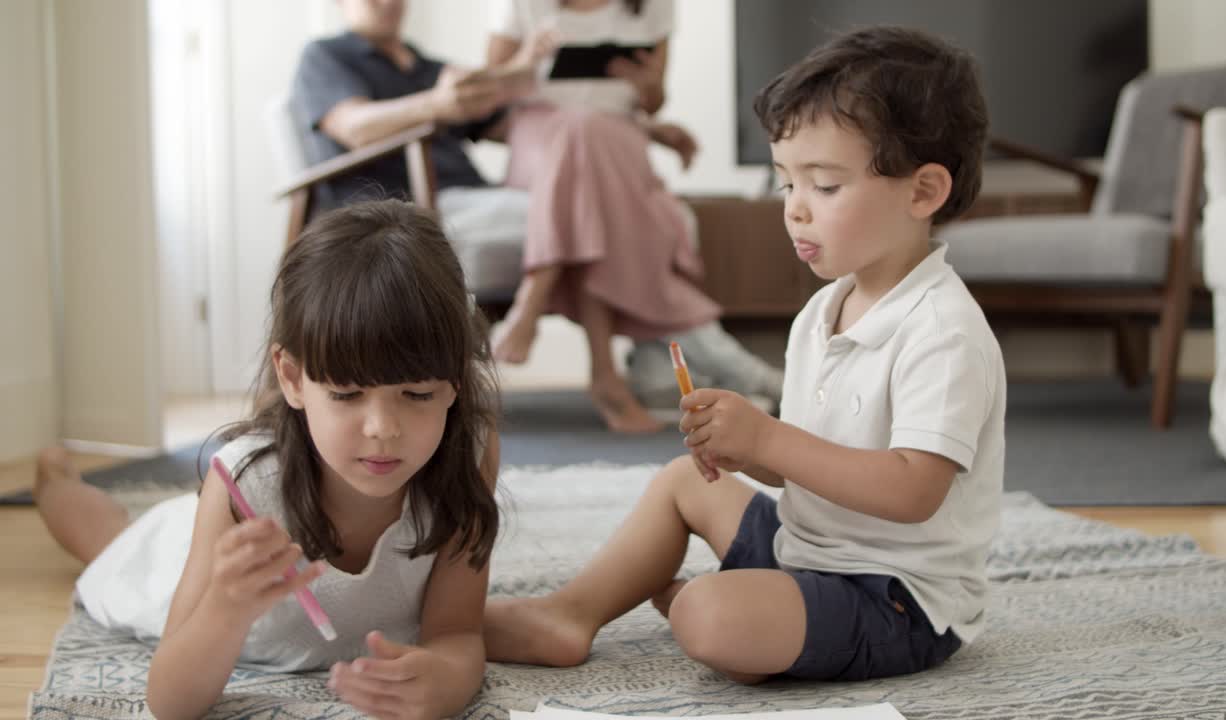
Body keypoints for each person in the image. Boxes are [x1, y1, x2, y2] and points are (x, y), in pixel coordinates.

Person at [483, 25, 1005, 684]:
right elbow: (812, 467)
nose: (796, 212)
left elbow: (912, 491)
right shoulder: (823, 310)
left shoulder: (942, 330)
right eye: (787, 185)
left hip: (896, 597)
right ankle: (569, 614)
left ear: (923, 192)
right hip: (806, 548)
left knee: (706, 614)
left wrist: (769, 438)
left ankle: (752, 621)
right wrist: (747, 451)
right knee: (681, 484)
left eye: (824, 186)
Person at [34, 201, 500, 719]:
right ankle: (53, 475)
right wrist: (225, 607)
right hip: (188, 564)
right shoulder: (244, 485)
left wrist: (446, 680)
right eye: (347, 395)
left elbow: (456, 633)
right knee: (113, 541)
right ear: (292, 377)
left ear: (456, 380)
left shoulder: (469, 452)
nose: (382, 429)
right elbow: (169, 702)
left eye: (417, 394)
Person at [482, 0, 782, 433]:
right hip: (541, 142)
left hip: (619, 138)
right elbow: (483, 101)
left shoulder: (654, 7)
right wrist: (525, 63)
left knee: (592, 142)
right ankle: (614, 377)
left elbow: (653, 102)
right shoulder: (520, 5)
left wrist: (647, 86)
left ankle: (536, 291)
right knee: (584, 142)